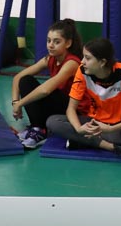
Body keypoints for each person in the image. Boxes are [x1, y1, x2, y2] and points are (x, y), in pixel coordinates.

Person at [45, 38, 121, 151]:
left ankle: (84, 141)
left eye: (87, 58)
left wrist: (110, 129)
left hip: (118, 126)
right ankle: (110, 146)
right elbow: (71, 109)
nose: (82, 61)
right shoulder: (82, 71)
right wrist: (79, 129)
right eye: (83, 57)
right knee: (53, 122)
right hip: (93, 122)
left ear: (102, 62)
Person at [10, 19, 84, 149]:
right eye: (49, 41)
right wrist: (15, 102)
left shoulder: (72, 63)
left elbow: (46, 90)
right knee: (26, 80)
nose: (51, 45)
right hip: (59, 105)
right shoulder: (50, 59)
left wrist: (20, 103)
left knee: (47, 90)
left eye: (56, 42)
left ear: (68, 43)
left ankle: (40, 130)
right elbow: (18, 77)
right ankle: (37, 127)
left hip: (74, 110)